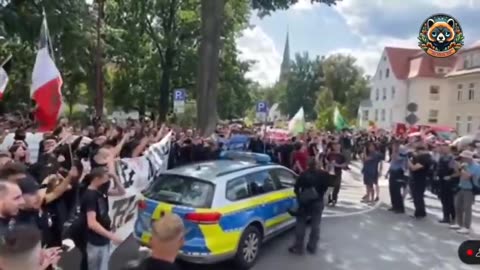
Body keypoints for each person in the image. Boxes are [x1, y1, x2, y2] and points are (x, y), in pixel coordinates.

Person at [81, 166, 125, 270]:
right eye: (106, 180)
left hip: (103, 238)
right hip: (95, 241)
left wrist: (115, 177)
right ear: (97, 179)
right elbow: (92, 223)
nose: (107, 183)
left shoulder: (100, 192)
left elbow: (122, 192)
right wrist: (112, 236)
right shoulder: (90, 196)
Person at [289, 158, 329, 255]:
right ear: (317, 164)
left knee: (301, 223)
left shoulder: (303, 174)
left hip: (304, 203)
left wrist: (301, 198)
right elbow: (326, 187)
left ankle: (298, 247)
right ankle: (312, 246)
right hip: (318, 202)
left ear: (308, 164)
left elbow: (296, 189)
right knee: (315, 225)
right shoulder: (323, 174)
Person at [450, 150, 480, 234]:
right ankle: (459, 223)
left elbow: (467, 176)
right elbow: (458, 173)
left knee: (467, 208)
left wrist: (462, 168)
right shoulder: (464, 165)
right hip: (461, 187)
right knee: (457, 206)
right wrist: (456, 166)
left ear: (468, 158)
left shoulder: (476, 167)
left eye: (463, 157)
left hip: (470, 189)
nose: (462, 159)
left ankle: (466, 226)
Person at [408, 143, 433, 219]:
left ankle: (420, 213)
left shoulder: (425, 158)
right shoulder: (420, 158)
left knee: (418, 196)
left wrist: (407, 160)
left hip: (420, 180)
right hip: (415, 179)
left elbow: (414, 168)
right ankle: (420, 212)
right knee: (416, 197)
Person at [436, 143, 459, 224]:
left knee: (449, 201)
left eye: (445, 148)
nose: (442, 149)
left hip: (449, 183)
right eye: (442, 148)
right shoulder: (441, 158)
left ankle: (452, 217)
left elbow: (457, 172)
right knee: (443, 200)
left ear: (448, 149)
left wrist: (450, 177)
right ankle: (447, 217)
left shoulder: (451, 159)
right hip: (442, 182)